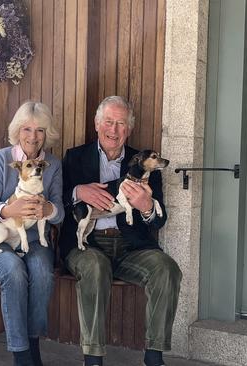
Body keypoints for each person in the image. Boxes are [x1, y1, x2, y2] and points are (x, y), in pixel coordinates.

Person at [58, 96, 181, 366]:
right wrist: (79, 191)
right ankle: (93, 359)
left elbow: (158, 221)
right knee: (95, 267)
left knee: (166, 269)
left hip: (131, 247)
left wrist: (147, 206)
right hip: (87, 245)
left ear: (129, 129)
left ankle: (154, 356)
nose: (113, 130)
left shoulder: (145, 164)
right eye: (109, 122)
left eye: (121, 123)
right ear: (96, 124)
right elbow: (56, 199)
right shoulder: (75, 157)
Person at [0, 101, 64, 366]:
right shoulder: (1, 159)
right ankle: (23, 356)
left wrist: (49, 209)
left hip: (33, 240)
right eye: (27, 129)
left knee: (43, 273)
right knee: (13, 271)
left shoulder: (53, 165)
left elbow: (61, 212)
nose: (33, 136)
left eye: (40, 130)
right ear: (17, 131)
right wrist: (8, 209)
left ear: (47, 134)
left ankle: (32, 345)